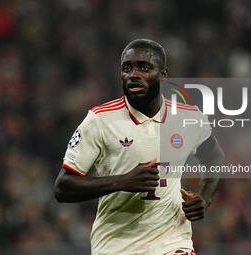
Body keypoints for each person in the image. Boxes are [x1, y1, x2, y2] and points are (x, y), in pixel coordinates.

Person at [54, 39, 224, 255]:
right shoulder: (99, 120)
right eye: (127, 68)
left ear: (163, 74)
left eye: (144, 67)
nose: (133, 74)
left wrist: (205, 199)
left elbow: (215, 158)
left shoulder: (188, 118)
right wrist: (121, 181)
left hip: (172, 244)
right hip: (116, 247)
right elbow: (63, 187)